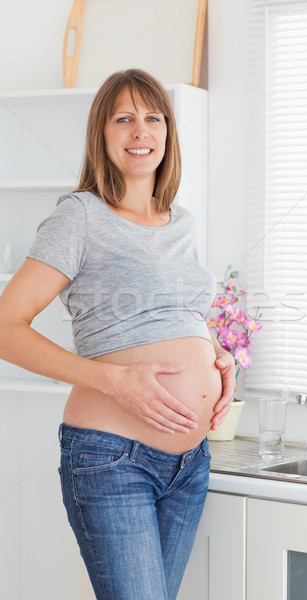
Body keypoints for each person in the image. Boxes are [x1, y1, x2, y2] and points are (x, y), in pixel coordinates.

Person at [0, 68, 235, 600]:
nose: (140, 131)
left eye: (153, 118)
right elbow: (6, 328)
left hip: (189, 465)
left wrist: (219, 360)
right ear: (100, 135)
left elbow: (176, 314)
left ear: (169, 132)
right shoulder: (80, 216)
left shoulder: (183, 222)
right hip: (113, 458)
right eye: (123, 118)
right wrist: (114, 382)